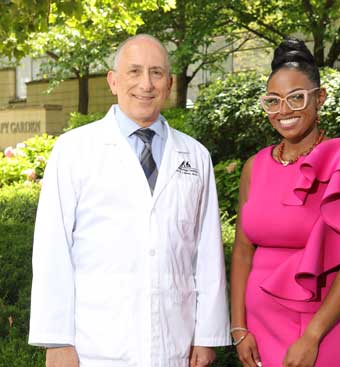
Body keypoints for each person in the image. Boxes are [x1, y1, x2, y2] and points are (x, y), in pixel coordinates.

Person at [29, 34, 230, 367]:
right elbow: (53, 249)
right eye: (134, 71)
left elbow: (207, 252)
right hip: (95, 345)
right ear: (113, 80)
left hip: (174, 343)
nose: (145, 84)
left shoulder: (195, 156)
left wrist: (207, 335)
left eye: (156, 73)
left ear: (169, 83)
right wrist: (57, 340)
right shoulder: (74, 150)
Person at [230, 38, 340, 367]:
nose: (284, 111)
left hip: (320, 322)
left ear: (319, 97)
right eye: (273, 101)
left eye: (297, 98)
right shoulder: (255, 166)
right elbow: (242, 250)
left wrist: (313, 336)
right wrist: (239, 327)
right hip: (257, 322)